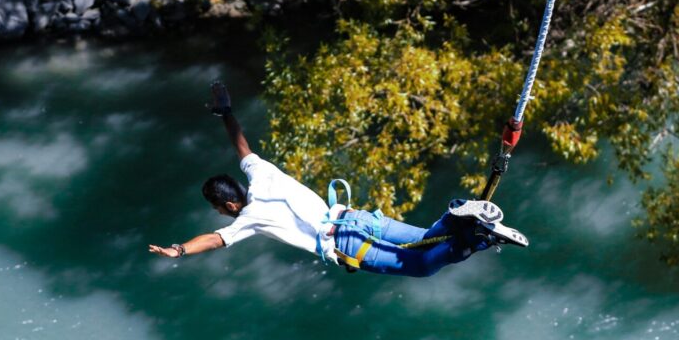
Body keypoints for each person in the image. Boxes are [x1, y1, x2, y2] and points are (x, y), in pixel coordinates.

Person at [148, 82, 528, 277]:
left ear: (230, 205)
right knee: (424, 239)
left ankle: (474, 230)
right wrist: (225, 111)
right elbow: (241, 146)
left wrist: (179, 250)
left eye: (218, 209)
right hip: (353, 217)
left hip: (347, 242)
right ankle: (466, 220)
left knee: (423, 265)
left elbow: (215, 240)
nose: (220, 215)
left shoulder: (249, 220)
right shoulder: (260, 173)